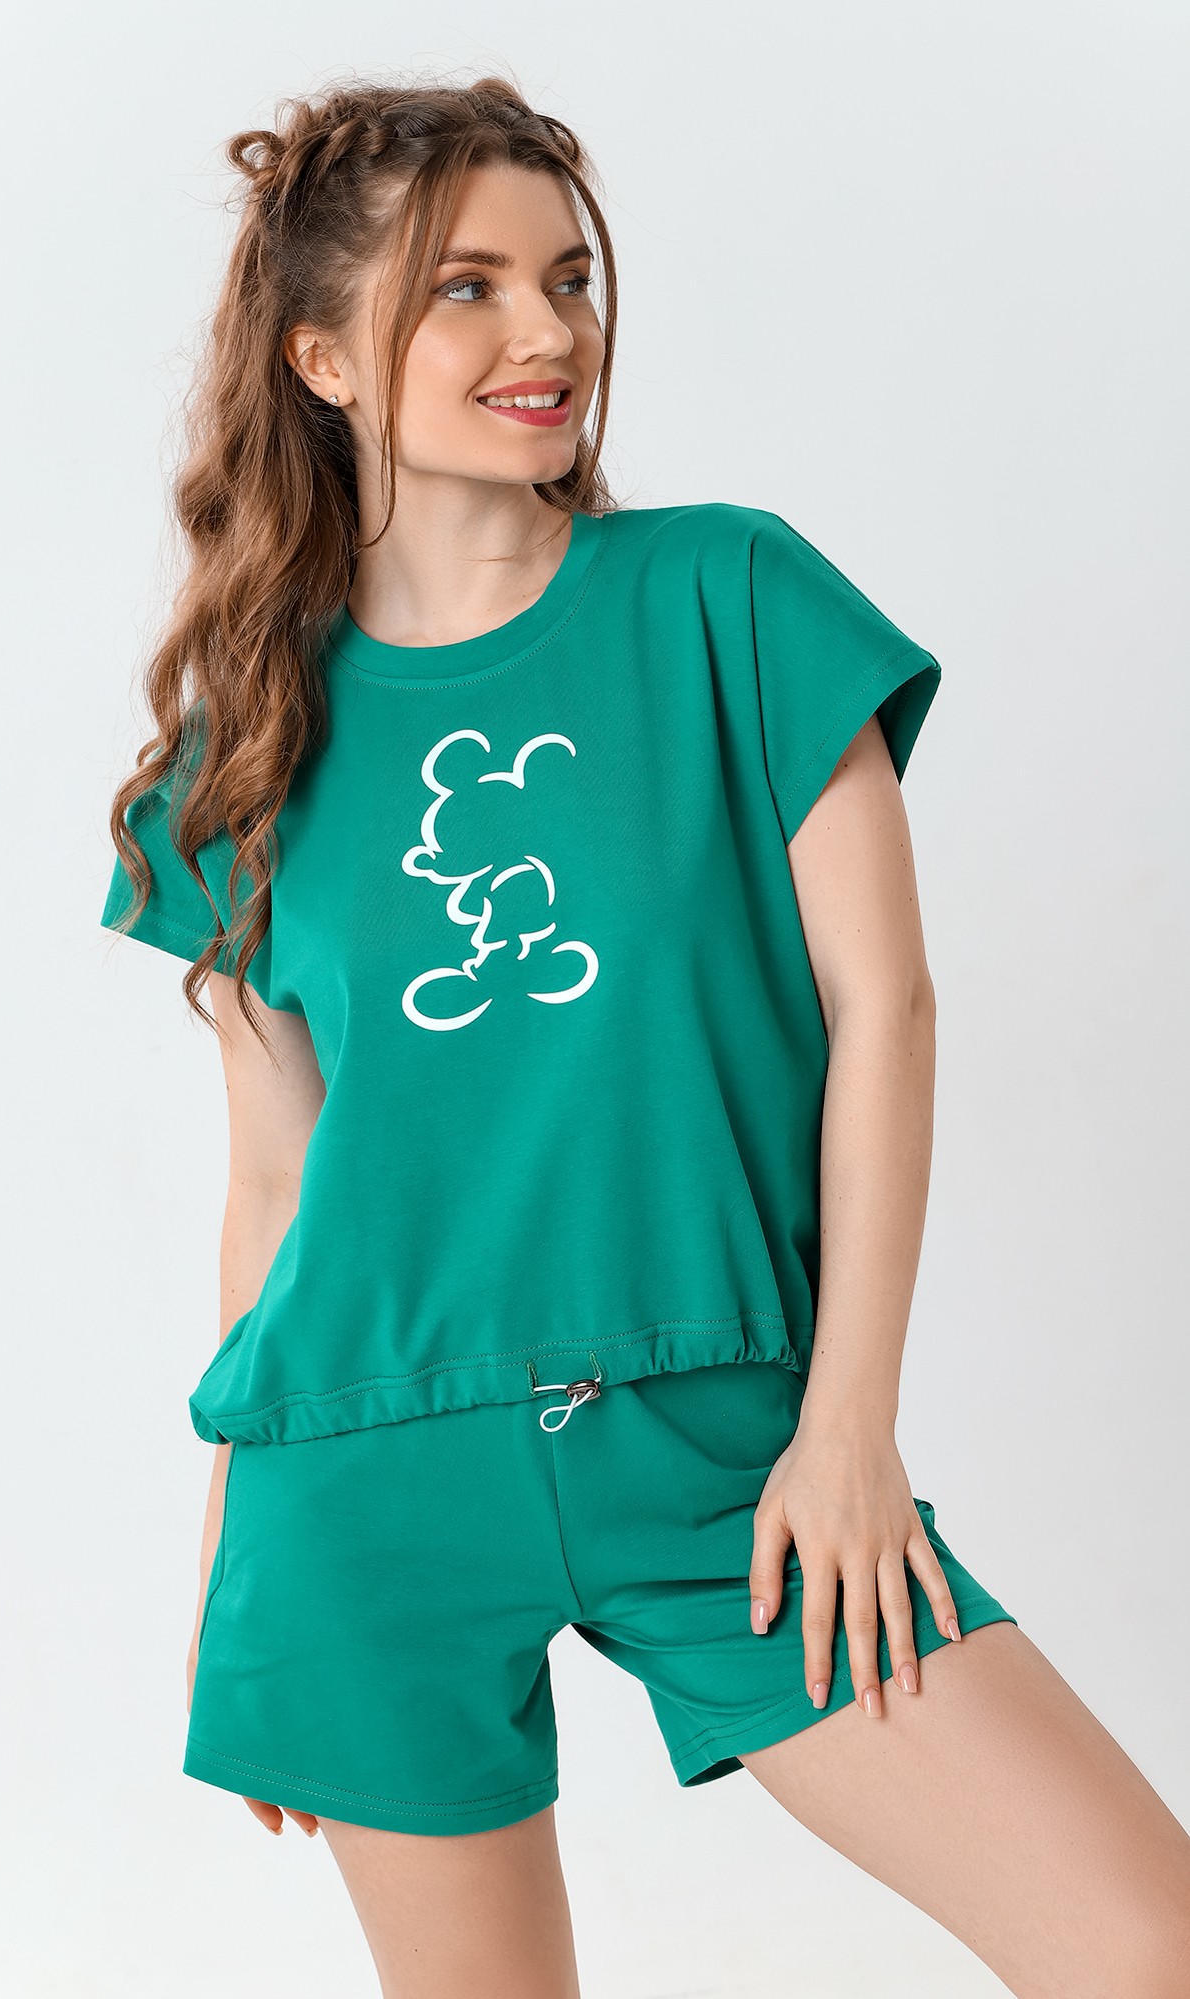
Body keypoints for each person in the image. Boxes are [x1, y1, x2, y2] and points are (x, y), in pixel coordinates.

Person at [99, 74, 1190, 1999]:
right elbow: (274, 1184)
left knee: (1139, 1940)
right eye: (466, 288)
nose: (544, 333)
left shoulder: (726, 599)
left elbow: (883, 1011)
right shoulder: (246, 748)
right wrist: (226, 1562)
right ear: (320, 359)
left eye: (569, 279)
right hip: (359, 1489)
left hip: (724, 1453)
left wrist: (846, 1426)